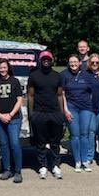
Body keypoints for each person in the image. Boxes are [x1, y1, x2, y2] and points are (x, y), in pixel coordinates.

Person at [27, 50, 66, 180]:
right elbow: (30, 95)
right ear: (40, 60)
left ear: (51, 60)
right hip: (39, 113)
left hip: (55, 113)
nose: (46, 60)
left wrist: (62, 114)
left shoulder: (57, 76)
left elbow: (60, 95)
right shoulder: (34, 76)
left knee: (55, 142)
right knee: (41, 142)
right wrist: (31, 114)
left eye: (48, 58)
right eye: (43, 58)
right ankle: (43, 166)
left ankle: (55, 165)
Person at [0, 58, 24, 182]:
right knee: (3, 145)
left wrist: (10, 114)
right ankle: (7, 170)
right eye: (0, 68)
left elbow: (20, 99)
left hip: (13, 118)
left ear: (8, 68)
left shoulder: (15, 81)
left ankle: (18, 171)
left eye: (4, 67)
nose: (2, 70)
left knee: (14, 144)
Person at [60, 54, 94, 172]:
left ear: (80, 63)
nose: (73, 64)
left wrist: (89, 104)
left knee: (84, 134)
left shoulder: (87, 74)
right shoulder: (64, 74)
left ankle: (85, 160)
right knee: (75, 135)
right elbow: (62, 93)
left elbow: (92, 91)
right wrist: (65, 109)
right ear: (68, 63)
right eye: (71, 62)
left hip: (85, 108)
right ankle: (77, 161)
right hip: (71, 107)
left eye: (75, 62)